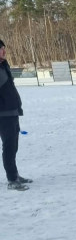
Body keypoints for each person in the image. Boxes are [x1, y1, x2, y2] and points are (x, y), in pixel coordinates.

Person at [0, 39, 31, 191]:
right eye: (1, 49)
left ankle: (15, 174)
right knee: (9, 147)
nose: (4, 51)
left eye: (4, 48)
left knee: (14, 146)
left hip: (12, 111)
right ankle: (12, 179)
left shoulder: (3, 65)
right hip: (3, 114)